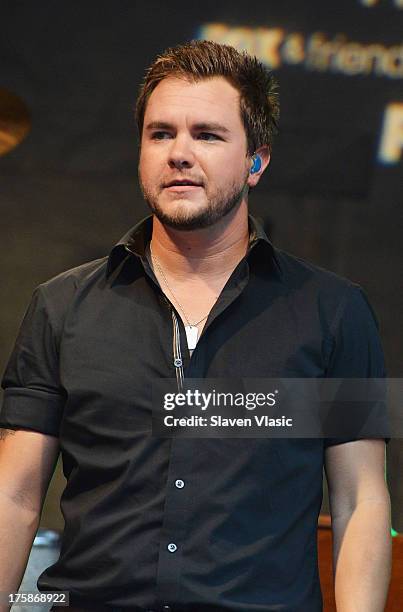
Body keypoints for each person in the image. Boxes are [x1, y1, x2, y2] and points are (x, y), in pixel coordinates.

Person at [0, 40, 391, 612]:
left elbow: (361, 499)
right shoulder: (61, 306)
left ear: (257, 161)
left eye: (207, 135)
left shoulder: (333, 311)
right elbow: (14, 494)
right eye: (161, 134)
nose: (179, 153)